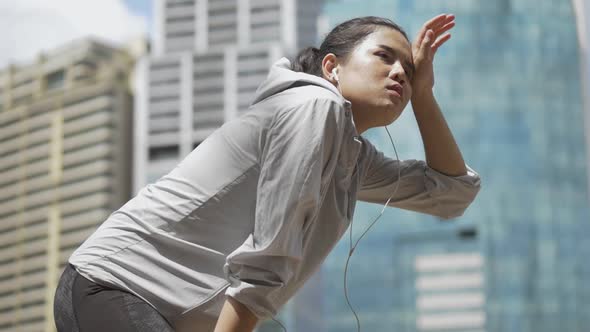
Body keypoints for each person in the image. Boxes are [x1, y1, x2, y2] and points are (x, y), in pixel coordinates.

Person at [53, 14, 481, 332]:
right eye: (384, 57)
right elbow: (270, 251)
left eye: (409, 69)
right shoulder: (314, 106)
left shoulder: (352, 157)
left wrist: (424, 95)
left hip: (180, 314)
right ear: (332, 67)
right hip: (117, 284)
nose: (400, 73)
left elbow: (450, 193)